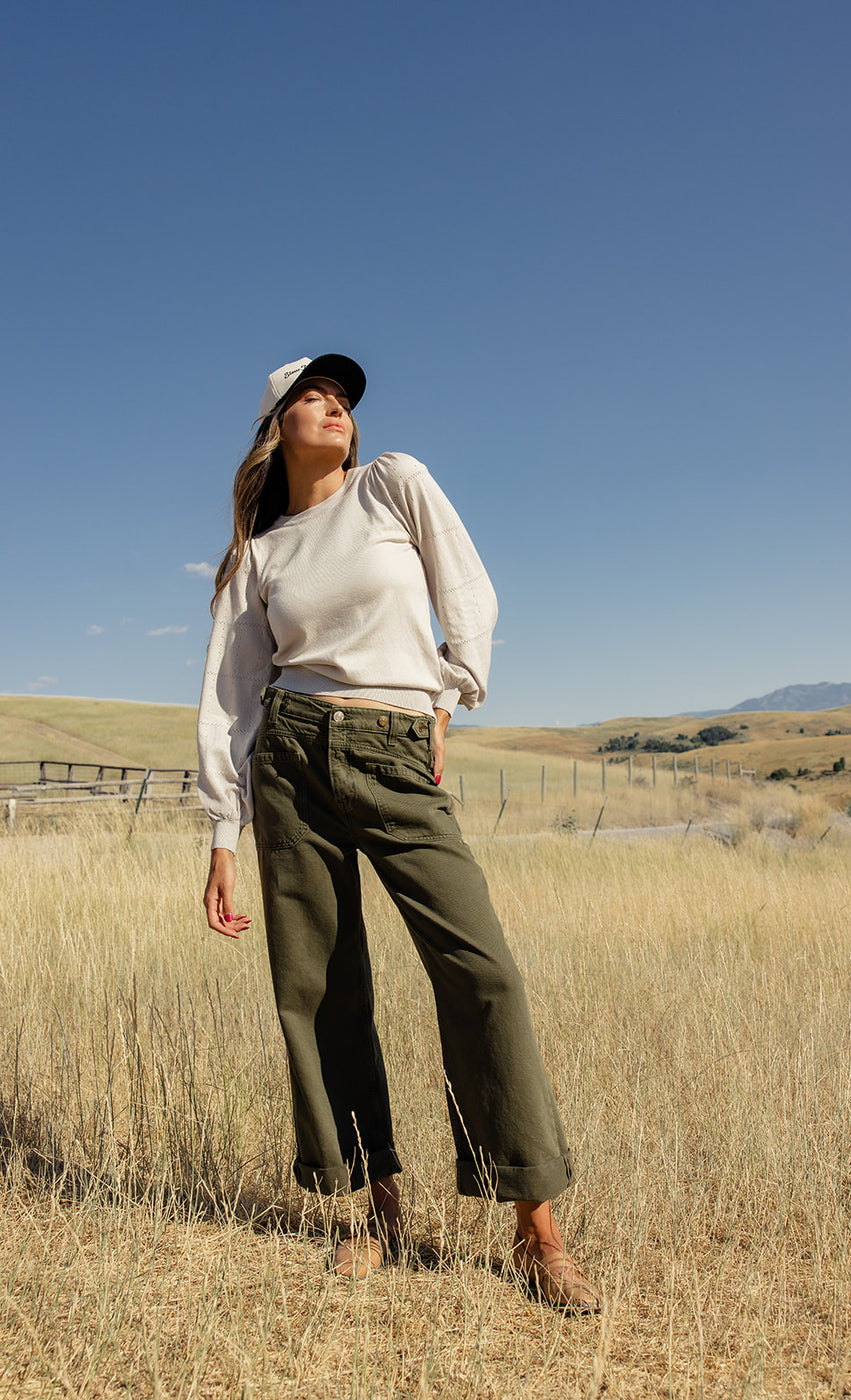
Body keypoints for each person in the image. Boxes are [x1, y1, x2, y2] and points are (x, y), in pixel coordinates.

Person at [197, 353, 599, 1311]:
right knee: (322, 989)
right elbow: (226, 697)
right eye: (311, 396)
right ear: (273, 427)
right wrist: (222, 832)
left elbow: (470, 594)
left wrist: (448, 700)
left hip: (393, 745)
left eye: (343, 398)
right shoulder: (259, 555)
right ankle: (373, 1209)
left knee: (481, 970)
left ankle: (536, 1229)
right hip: (291, 758)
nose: (334, 406)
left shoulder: (393, 484)